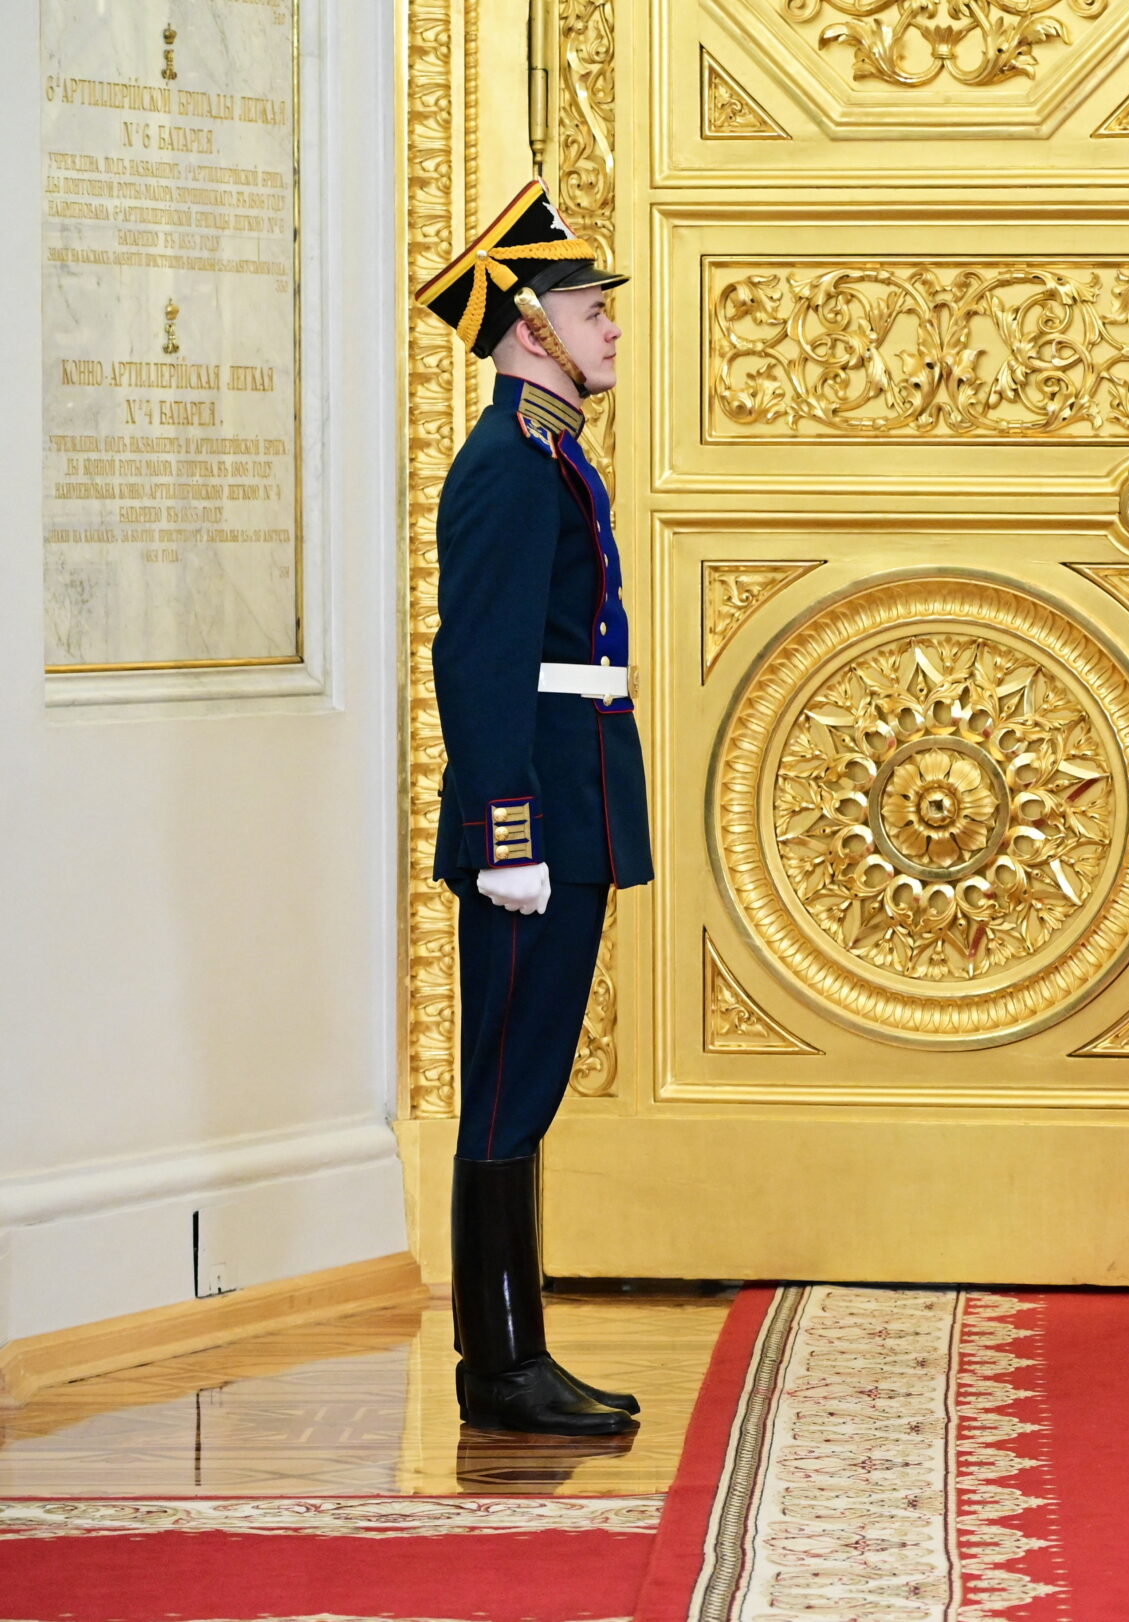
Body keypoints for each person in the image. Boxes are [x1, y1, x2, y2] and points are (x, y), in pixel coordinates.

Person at [414, 181, 652, 1436]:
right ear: (526, 325)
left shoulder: (554, 452)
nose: (607, 324)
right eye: (582, 304)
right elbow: (483, 659)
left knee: (534, 1074)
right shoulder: (506, 466)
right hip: (534, 820)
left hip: (575, 799)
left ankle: (519, 1351)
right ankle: (499, 1365)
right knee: (508, 1080)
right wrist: (507, 829)